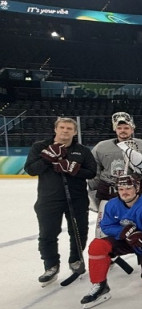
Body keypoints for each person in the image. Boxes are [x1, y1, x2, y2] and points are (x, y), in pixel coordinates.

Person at [25, 117, 97, 285]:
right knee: (48, 233)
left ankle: (75, 259)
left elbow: (91, 172)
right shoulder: (40, 147)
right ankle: (50, 265)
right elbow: (30, 170)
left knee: (79, 231)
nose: (65, 131)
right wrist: (46, 159)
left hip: (77, 198)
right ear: (55, 129)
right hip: (49, 198)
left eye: (69, 128)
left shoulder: (82, 150)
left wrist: (72, 168)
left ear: (75, 132)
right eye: (62, 127)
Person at [81, 176, 142, 308]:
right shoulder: (112, 204)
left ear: (137, 188)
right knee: (97, 246)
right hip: (124, 241)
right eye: (121, 189)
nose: (124, 192)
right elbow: (106, 226)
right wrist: (124, 232)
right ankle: (99, 285)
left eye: (128, 188)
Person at [89, 112, 142, 237]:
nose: (123, 131)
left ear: (132, 129)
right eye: (119, 128)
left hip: (140, 190)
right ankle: (110, 254)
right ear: (114, 129)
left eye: (126, 128)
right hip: (109, 190)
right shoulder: (101, 147)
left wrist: (139, 164)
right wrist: (94, 192)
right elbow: (95, 171)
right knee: (105, 230)